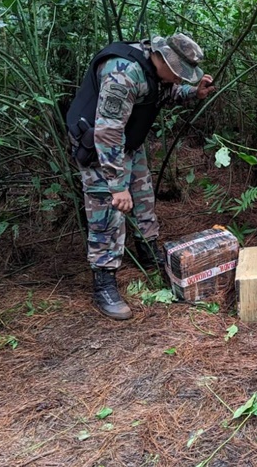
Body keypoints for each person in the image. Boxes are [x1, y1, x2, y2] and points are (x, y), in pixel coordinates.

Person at [66, 34, 216, 320]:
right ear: (164, 59)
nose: (179, 79)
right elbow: (108, 131)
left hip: (128, 143)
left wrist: (193, 93)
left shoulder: (154, 69)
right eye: (178, 73)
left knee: (143, 197)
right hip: (100, 149)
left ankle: (147, 251)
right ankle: (104, 280)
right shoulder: (122, 72)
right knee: (107, 210)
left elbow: (162, 92)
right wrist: (116, 185)